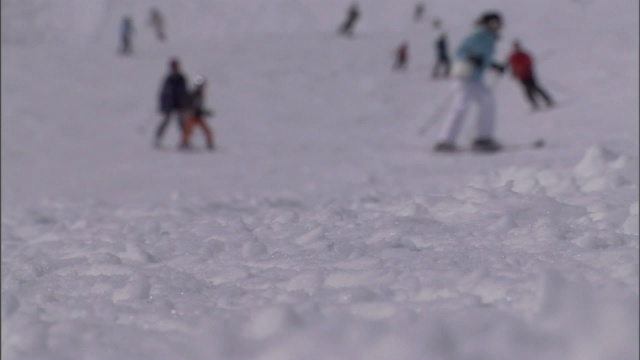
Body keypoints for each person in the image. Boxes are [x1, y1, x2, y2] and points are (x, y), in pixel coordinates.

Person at [433, 11, 506, 153]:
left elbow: (484, 58)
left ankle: (483, 138)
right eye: (497, 23)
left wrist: (494, 65)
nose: (499, 26)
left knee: (488, 101)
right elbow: (461, 51)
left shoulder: (490, 38)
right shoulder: (478, 34)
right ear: (490, 23)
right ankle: (445, 141)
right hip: (464, 77)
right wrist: (470, 58)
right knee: (461, 106)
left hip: (475, 79)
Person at [507, 41, 554, 110]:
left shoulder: (524, 55)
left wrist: (525, 68)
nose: (517, 49)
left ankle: (547, 100)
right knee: (527, 91)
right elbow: (513, 66)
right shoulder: (512, 57)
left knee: (535, 88)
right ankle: (534, 104)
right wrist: (514, 73)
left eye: (518, 47)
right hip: (521, 77)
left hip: (529, 75)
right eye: (515, 47)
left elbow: (529, 63)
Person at [155, 58, 188, 147]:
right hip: (170, 104)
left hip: (179, 104)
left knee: (181, 123)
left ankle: (185, 140)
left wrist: (185, 103)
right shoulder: (169, 79)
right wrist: (163, 104)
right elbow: (164, 93)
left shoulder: (181, 78)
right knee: (166, 122)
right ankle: (157, 139)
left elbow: (184, 92)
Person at [180, 76, 215, 150]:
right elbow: (190, 106)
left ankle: (210, 143)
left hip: (197, 116)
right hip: (191, 116)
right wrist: (190, 111)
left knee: (207, 130)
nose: (202, 88)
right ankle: (183, 143)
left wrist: (204, 112)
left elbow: (198, 108)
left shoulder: (200, 95)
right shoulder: (193, 95)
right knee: (188, 131)